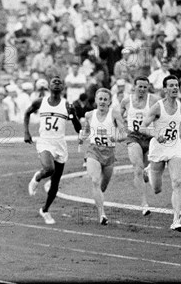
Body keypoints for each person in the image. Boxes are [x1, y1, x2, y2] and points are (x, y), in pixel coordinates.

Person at [24, 76, 82, 225]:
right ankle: (38, 177)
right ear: (49, 86)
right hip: (45, 141)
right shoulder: (41, 102)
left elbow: (78, 129)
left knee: (55, 183)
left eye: (59, 81)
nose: (56, 83)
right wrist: (26, 132)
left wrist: (73, 115)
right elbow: (27, 113)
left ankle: (45, 210)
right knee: (49, 169)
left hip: (60, 144)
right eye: (54, 81)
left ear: (63, 87)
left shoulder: (67, 105)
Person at [141, 75, 181, 232]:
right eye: (171, 85)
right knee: (157, 189)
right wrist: (156, 134)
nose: (174, 88)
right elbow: (142, 127)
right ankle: (148, 171)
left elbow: (177, 126)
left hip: (174, 148)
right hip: (158, 148)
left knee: (177, 182)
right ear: (165, 89)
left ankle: (176, 220)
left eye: (176, 85)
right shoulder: (157, 107)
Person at [81, 88, 127, 225]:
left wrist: (116, 137)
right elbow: (86, 132)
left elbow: (124, 134)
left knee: (102, 186)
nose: (102, 102)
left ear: (110, 101)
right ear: (95, 100)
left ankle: (98, 200)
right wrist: (82, 137)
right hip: (93, 151)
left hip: (109, 153)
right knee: (95, 180)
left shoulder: (114, 114)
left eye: (105, 99)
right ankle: (102, 214)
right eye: (100, 99)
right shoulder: (89, 115)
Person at [120, 76, 160, 216]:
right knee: (137, 168)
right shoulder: (126, 101)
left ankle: (146, 173)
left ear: (148, 88)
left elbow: (160, 116)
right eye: (140, 86)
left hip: (149, 138)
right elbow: (118, 118)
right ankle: (144, 204)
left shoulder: (153, 101)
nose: (142, 89)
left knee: (145, 174)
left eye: (145, 87)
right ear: (134, 87)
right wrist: (122, 129)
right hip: (134, 137)